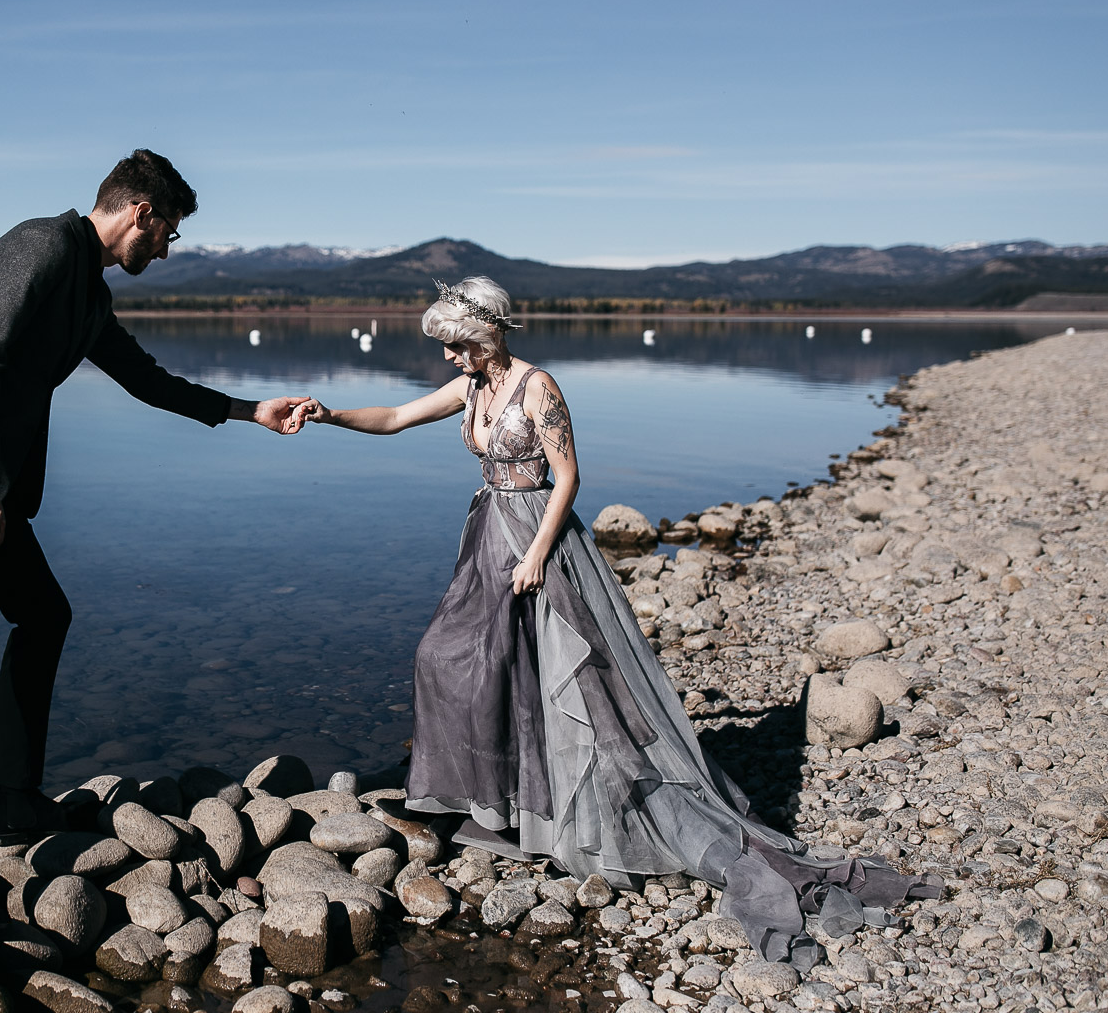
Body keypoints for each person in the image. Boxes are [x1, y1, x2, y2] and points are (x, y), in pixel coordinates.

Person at [290, 276, 936, 966]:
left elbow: (567, 477)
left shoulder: (537, 387)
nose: (447, 359)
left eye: (453, 345)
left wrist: (536, 555)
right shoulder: (473, 389)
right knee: (449, 656)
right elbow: (393, 417)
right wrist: (328, 415)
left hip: (540, 540)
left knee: (572, 685)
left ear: (482, 334)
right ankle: (489, 793)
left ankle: (569, 806)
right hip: (489, 536)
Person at [0, 149, 310, 928]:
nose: (167, 250)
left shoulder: (88, 292)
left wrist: (248, 410)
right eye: (167, 233)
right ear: (140, 212)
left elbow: (148, 381)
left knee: (44, 615)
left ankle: (11, 804)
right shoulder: (37, 246)